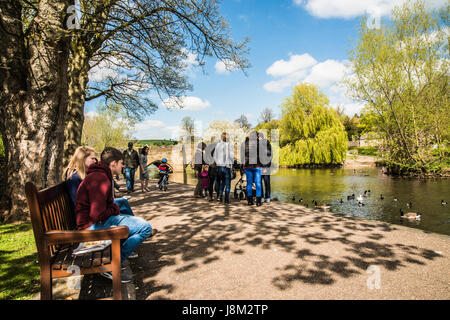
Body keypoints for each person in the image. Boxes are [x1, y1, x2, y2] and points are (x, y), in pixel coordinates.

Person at [75, 147, 153, 283]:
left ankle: (117, 257)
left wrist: (114, 208)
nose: (123, 165)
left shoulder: (100, 175)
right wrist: (114, 209)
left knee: (128, 213)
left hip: (93, 223)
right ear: (113, 163)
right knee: (145, 228)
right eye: (121, 162)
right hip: (90, 228)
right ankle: (113, 264)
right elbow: (96, 215)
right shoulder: (100, 179)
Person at [241, 131, 263, 206]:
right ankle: (258, 201)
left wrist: (243, 166)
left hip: (248, 166)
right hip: (257, 166)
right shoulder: (259, 144)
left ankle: (250, 201)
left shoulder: (245, 144)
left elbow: (242, 156)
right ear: (256, 136)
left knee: (249, 184)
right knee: (258, 183)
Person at [214, 132, 234, 204]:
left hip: (219, 167)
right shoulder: (229, 145)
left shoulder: (218, 145)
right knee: (227, 184)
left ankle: (219, 196)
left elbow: (214, 156)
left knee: (223, 182)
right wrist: (231, 164)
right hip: (226, 167)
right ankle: (226, 199)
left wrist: (218, 163)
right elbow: (231, 157)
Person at [258, 132, 273, 203]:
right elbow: (270, 157)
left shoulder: (263, 145)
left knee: (261, 182)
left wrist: (264, 166)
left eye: (258, 137)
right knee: (266, 183)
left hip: (263, 166)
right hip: (265, 166)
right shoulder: (268, 145)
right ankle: (267, 197)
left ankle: (263, 197)